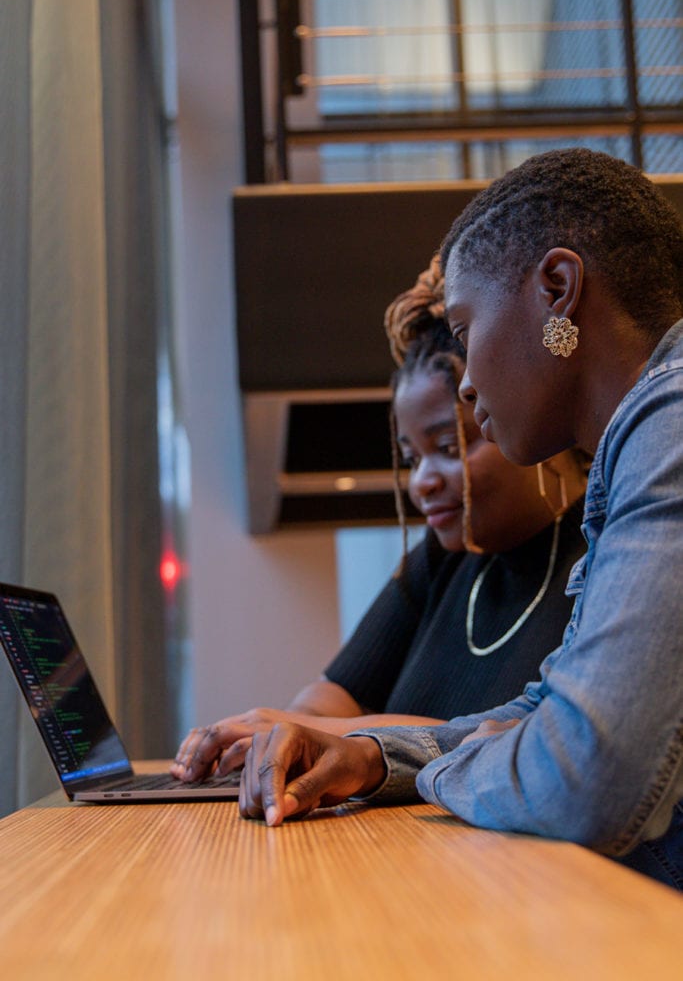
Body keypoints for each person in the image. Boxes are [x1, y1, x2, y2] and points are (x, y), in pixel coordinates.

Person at [236, 147, 683, 892]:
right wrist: (378, 757)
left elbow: (587, 776)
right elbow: (546, 711)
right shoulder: (633, 447)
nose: (467, 379)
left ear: (557, 289)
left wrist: (451, 767)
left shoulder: (668, 422)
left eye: (468, 327)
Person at [172, 255, 587, 782]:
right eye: (412, 459)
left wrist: (328, 734)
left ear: (521, 409)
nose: (423, 481)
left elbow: (517, 739)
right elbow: (327, 701)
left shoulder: (601, 554)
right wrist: (281, 730)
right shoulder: (440, 562)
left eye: (448, 446)